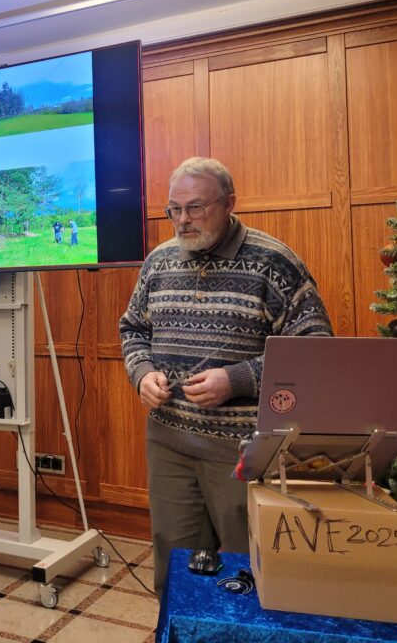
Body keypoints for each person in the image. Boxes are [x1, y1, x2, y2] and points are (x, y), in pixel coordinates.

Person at [119, 157, 332, 597]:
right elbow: (133, 329)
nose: (183, 220)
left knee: (246, 574)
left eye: (195, 207)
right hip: (169, 445)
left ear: (229, 203)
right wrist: (142, 374)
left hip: (243, 454)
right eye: (174, 209)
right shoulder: (158, 262)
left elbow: (315, 350)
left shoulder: (273, 262)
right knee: (174, 573)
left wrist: (237, 380)